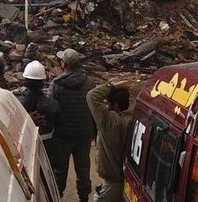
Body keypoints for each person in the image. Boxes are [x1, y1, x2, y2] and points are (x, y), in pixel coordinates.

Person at [47, 49, 96, 201]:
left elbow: (50, 108)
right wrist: (95, 132)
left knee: (60, 169)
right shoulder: (90, 83)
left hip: (62, 135)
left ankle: (58, 195)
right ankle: (84, 197)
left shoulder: (57, 84)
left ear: (65, 64)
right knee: (83, 168)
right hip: (84, 133)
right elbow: (94, 108)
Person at [87, 80, 133, 202]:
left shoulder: (112, 123)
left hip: (113, 182)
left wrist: (113, 86)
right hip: (123, 176)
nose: (105, 107)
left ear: (116, 106)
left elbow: (92, 96)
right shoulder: (132, 118)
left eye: (107, 104)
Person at [17, 61, 64, 180]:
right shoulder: (52, 103)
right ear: (42, 82)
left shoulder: (17, 103)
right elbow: (60, 126)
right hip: (48, 148)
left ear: (25, 81)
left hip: (24, 148)